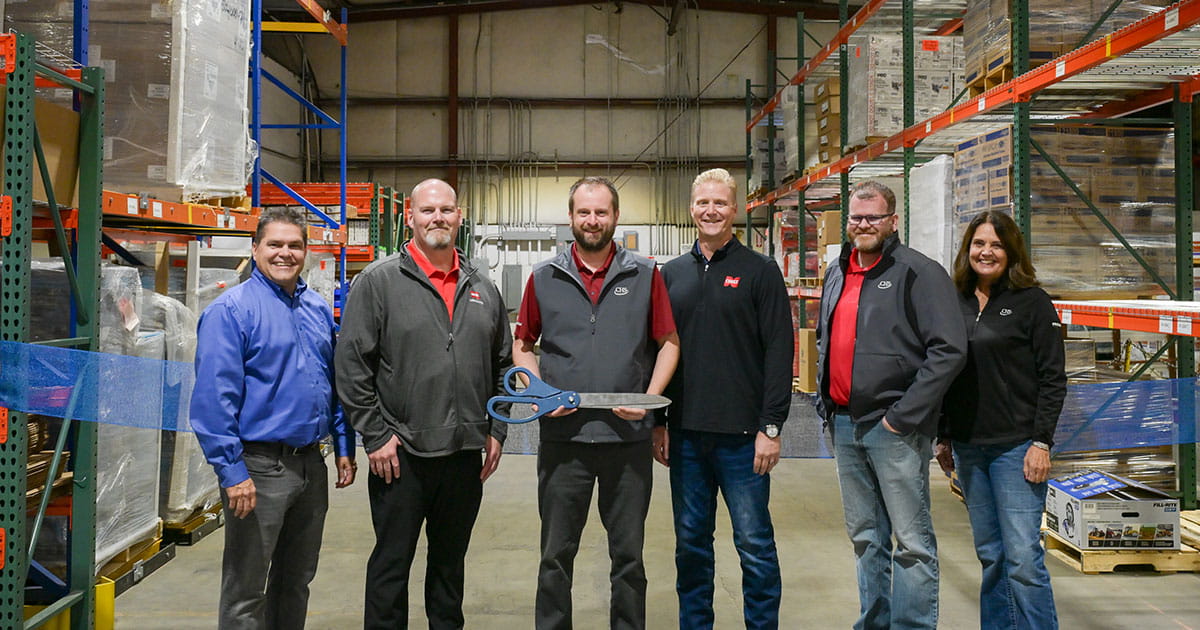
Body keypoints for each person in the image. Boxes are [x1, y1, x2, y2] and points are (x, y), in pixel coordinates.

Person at [335, 179, 513, 629]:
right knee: (391, 568)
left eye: (447, 210)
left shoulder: (482, 287)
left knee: (450, 570)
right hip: (401, 456)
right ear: (410, 218)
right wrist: (375, 436)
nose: (439, 218)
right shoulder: (379, 282)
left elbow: (503, 365)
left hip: (463, 456)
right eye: (429, 210)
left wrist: (496, 429)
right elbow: (352, 365)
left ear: (459, 217)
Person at [513, 175, 679, 630]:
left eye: (601, 212)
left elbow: (668, 342)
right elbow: (523, 344)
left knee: (628, 559)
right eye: (583, 212)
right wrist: (539, 394)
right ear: (570, 217)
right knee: (555, 557)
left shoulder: (645, 274)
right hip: (563, 440)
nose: (592, 220)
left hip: (626, 440)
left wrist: (649, 402)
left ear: (615, 217)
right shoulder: (544, 277)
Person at [191, 206, 357, 629]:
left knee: (295, 581)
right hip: (258, 468)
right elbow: (214, 402)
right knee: (247, 591)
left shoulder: (317, 310)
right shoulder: (231, 311)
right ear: (256, 248)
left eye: (295, 245)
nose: (285, 253)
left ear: (306, 251)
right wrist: (232, 472)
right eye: (275, 244)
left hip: (309, 465)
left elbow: (331, 380)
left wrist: (342, 444)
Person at [815, 180, 967, 630]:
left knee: (912, 541)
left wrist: (903, 417)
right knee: (866, 538)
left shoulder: (918, 272)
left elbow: (949, 350)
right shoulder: (838, 271)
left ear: (893, 221)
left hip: (893, 428)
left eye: (873, 217)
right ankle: (874, 622)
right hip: (844, 423)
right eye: (856, 217)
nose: (863, 225)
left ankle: (913, 625)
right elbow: (827, 339)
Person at [659, 168, 793, 629]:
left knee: (754, 547)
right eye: (702, 203)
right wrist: (659, 423)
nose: (711, 211)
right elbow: (659, 350)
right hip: (687, 438)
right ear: (691, 209)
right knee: (691, 545)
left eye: (720, 203)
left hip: (743, 440)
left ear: (735, 210)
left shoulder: (760, 271)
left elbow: (780, 351)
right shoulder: (671, 274)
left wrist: (771, 427)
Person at [936, 210, 1065, 630]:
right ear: (967, 249)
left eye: (995, 244)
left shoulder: (1032, 302)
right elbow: (943, 371)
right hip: (971, 448)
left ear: (1011, 252)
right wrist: (944, 436)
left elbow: (1053, 379)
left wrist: (1041, 442)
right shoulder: (954, 299)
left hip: (1016, 448)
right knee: (992, 556)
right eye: (978, 243)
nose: (985, 252)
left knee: (1024, 560)